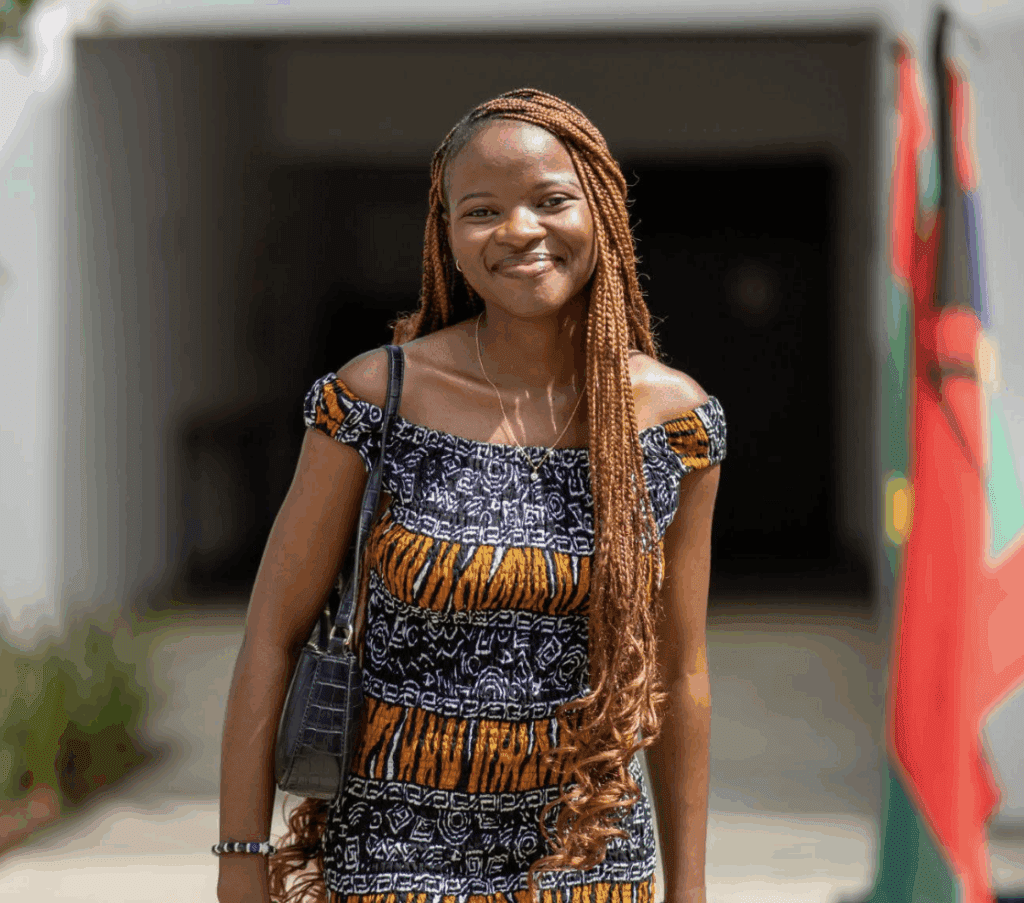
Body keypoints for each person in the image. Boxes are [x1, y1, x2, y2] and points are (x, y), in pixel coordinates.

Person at [216, 87, 726, 903]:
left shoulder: (675, 423)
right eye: (482, 211)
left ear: (600, 210)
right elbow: (271, 634)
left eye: (551, 200)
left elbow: (678, 670)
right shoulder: (377, 398)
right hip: (394, 862)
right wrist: (241, 858)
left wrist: (689, 888)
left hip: (587, 862)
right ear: (447, 236)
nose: (519, 229)